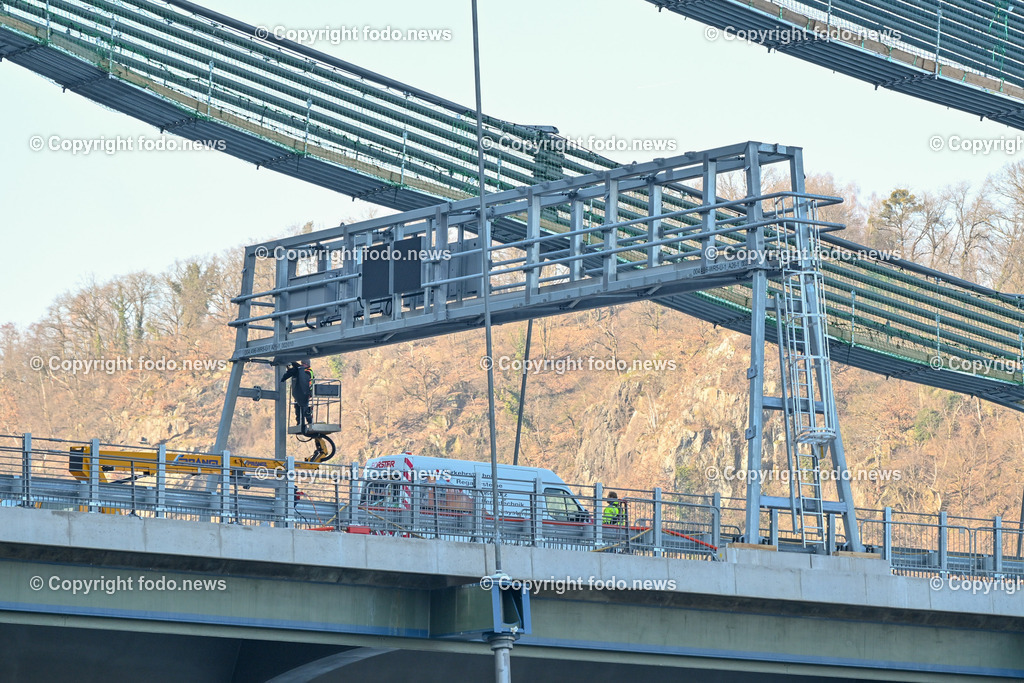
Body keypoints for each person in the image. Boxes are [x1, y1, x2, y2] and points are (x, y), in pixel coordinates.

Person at [280, 359, 314, 434]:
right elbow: (298, 372)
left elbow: (302, 375)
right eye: (301, 364)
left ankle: (310, 423)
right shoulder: (303, 370)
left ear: (306, 364)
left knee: (305, 409)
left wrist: (295, 366)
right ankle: (299, 423)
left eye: (303, 364)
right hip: (300, 392)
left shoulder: (308, 372)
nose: (301, 365)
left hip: (305, 393)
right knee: (298, 408)